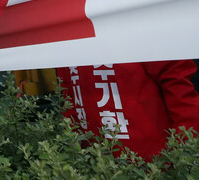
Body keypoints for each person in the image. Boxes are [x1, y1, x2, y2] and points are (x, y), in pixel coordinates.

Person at [57, 60, 199, 159]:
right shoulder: (70, 37)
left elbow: (182, 97)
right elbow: (69, 95)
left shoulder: (138, 26)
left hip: (152, 165)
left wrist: (182, 155)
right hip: (96, 161)